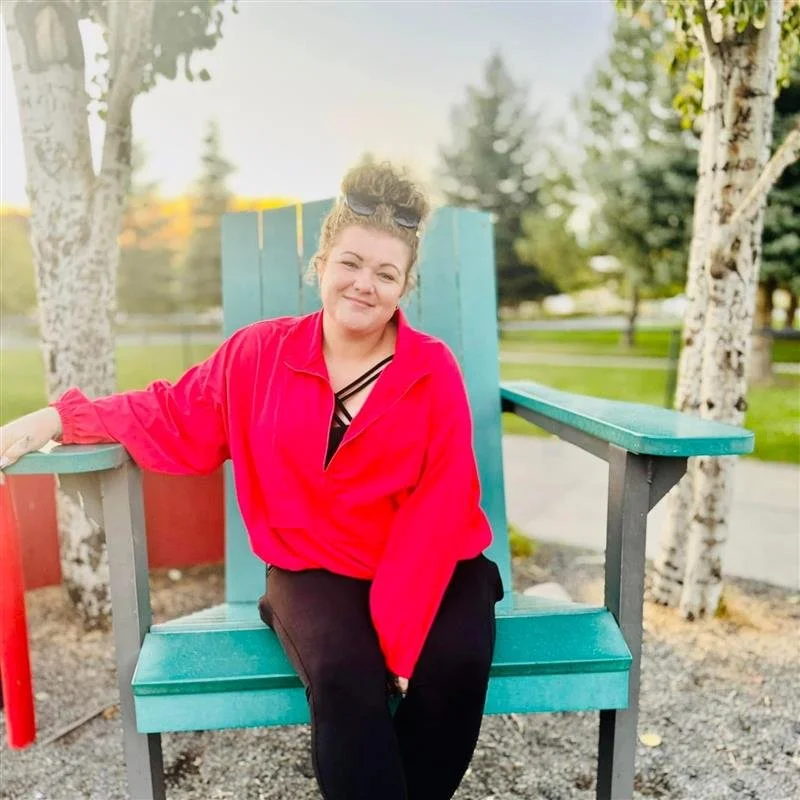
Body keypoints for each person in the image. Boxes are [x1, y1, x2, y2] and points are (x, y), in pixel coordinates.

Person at [0, 162, 504, 800]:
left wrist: (398, 638)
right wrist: (59, 415)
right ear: (320, 263)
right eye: (351, 263)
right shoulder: (257, 356)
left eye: (386, 273)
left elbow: (441, 505)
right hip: (312, 564)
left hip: (433, 559)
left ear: (406, 286)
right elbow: (173, 410)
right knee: (346, 676)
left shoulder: (431, 369)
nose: (364, 284)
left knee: (454, 663)